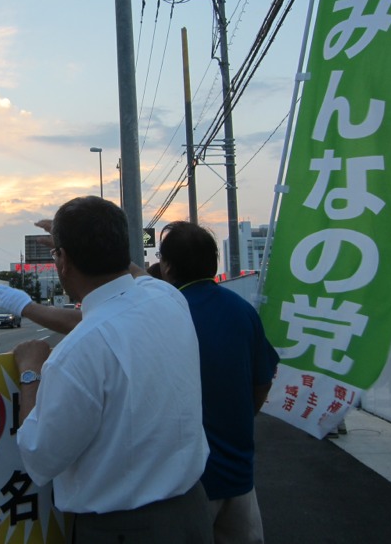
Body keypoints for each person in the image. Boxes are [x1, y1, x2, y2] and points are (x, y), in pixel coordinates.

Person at [0, 196, 212, 544]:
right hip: (193, 512)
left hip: (122, 529)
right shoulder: (168, 298)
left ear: (63, 261)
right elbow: (134, 277)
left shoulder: (77, 353)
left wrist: (31, 371)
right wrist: (85, 239)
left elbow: (40, 456)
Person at [158, 221, 279, 544]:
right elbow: (263, 381)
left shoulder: (164, 312)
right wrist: (240, 416)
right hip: (239, 476)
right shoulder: (243, 311)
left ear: (167, 266)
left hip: (186, 482)